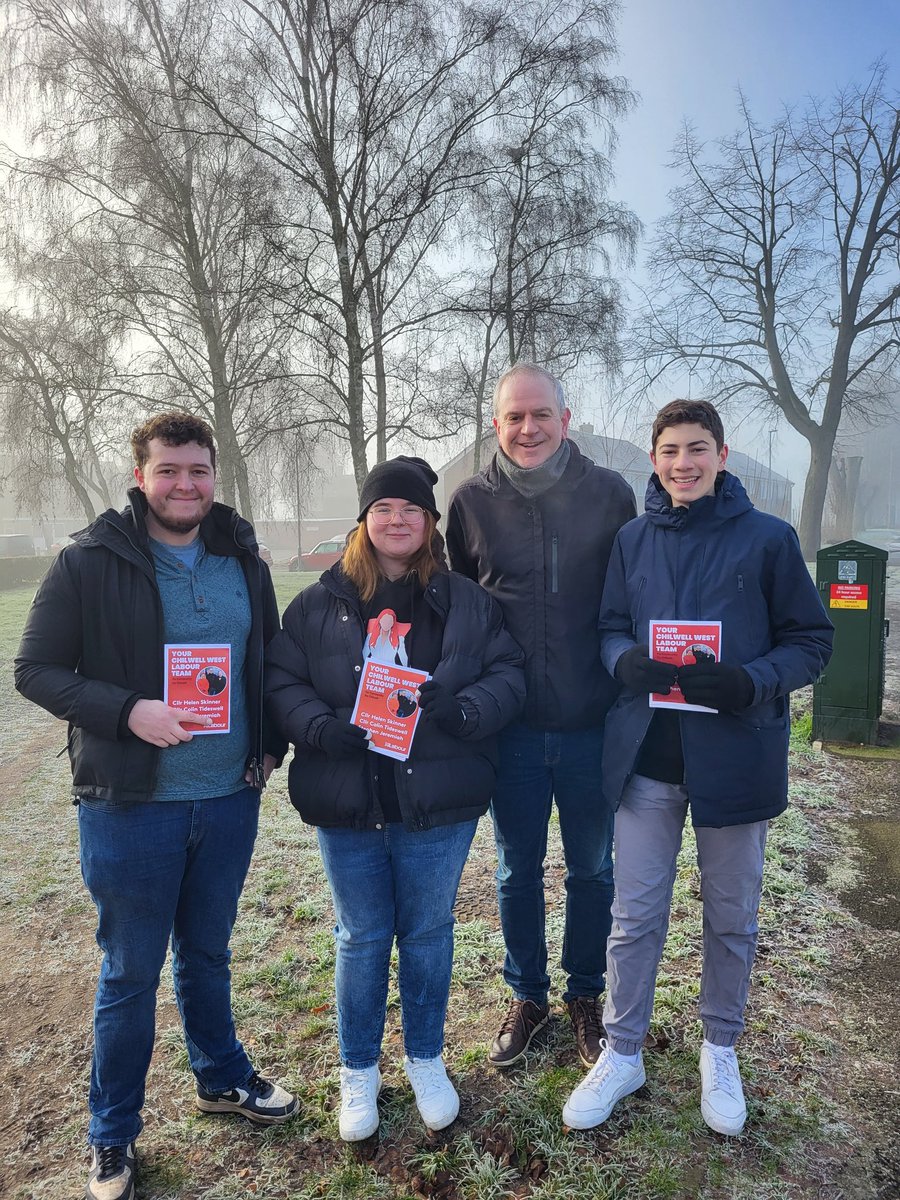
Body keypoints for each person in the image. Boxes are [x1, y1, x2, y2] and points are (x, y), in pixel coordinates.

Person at [14, 413, 297, 1200]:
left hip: (228, 799)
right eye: (168, 470)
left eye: (198, 471)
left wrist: (270, 746)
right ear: (140, 475)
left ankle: (220, 1077)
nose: (185, 485)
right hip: (132, 806)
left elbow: (266, 660)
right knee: (131, 973)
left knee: (207, 955)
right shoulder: (88, 562)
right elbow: (35, 670)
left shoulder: (243, 557)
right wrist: (127, 710)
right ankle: (112, 1135)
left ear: (215, 476)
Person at [562, 399, 833, 1135]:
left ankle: (721, 1047)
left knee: (732, 918)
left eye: (697, 449)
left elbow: (812, 639)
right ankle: (622, 1051)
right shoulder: (632, 540)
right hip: (647, 761)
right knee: (634, 915)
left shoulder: (769, 541)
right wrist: (627, 663)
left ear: (721, 454)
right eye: (670, 450)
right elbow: (610, 626)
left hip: (736, 758)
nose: (683, 463)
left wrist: (752, 680)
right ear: (654, 459)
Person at [265, 456, 525, 1142]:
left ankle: (424, 1057)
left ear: (431, 523)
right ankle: (359, 1070)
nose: (398, 519)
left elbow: (508, 675)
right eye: (384, 509)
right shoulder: (319, 603)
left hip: (437, 803)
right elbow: (282, 681)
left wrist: (463, 707)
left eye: (412, 509)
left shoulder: (467, 601)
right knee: (361, 937)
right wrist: (320, 728)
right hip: (349, 799)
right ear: (364, 521)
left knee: (429, 933)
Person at [446, 364, 637, 1069]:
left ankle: (586, 995)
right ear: (496, 423)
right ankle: (528, 994)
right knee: (514, 871)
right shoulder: (468, 503)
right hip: (514, 731)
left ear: (566, 416)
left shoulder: (611, 495)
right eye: (514, 417)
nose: (528, 429)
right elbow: (458, 613)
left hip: (592, 725)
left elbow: (635, 596)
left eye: (541, 415)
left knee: (592, 869)